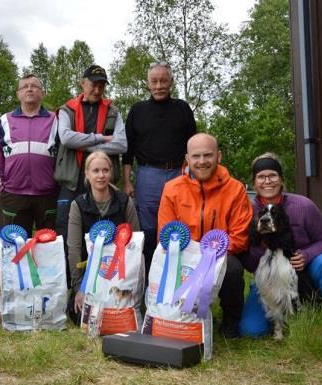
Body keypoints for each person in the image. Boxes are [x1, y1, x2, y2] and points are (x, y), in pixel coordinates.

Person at [239, 153, 322, 338]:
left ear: (281, 180)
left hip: (306, 270)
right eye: (261, 177)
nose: (267, 181)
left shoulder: (303, 205)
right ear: (254, 182)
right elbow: (246, 257)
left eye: (273, 175)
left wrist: (305, 255)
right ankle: (280, 322)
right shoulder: (246, 210)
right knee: (251, 331)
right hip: (267, 278)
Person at [157, 133, 252, 338]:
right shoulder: (171, 189)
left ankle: (231, 320)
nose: (202, 162)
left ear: (219, 156)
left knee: (234, 268)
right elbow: (165, 233)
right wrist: (192, 256)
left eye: (208, 155)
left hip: (221, 256)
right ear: (187, 159)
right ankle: (172, 313)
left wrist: (209, 257)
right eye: (196, 156)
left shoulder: (236, 189)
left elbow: (240, 237)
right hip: (183, 255)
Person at [54, 64, 127, 285]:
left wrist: (84, 145)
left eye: (102, 85)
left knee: (106, 232)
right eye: (94, 84)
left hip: (103, 181)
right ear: (82, 83)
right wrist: (100, 139)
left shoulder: (114, 111)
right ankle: (71, 285)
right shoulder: (66, 109)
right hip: (71, 180)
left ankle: (107, 281)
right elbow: (66, 138)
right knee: (67, 233)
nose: (98, 89)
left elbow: (122, 144)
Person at [122, 61, 197, 276]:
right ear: (148, 84)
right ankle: (149, 279)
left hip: (178, 174)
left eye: (164, 80)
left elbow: (193, 143)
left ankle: (178, 275)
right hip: (147, 176)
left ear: (171, 82)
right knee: (149, 229)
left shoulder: (182, 108)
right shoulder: (137, 110)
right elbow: (128, 151)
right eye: (154, 81)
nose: (159, 85)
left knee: (179, 226)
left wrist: (191, 174)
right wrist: (127, 182)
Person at [67, 151, 140, 324]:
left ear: (112, 172)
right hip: (89, 277)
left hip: (120, 276)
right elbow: (74, 250)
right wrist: (79, 288)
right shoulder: (77, 205)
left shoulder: (125, 202)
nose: (101, 175)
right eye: (96, 171)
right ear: (87, 174)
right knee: (82, 317)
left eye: (105, 170)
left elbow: (137, 245)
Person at [0, 74, 59, 236]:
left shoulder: (56, 120)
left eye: (34, 86)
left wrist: (58, 187)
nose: (29, 89)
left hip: (47, 195)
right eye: (24, 86)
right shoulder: (4, 121)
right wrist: (0, 187)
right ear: (18, 94)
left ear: (42, 93)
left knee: (49, 246)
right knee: (15, 248)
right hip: (13, 195)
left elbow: (64, 157)